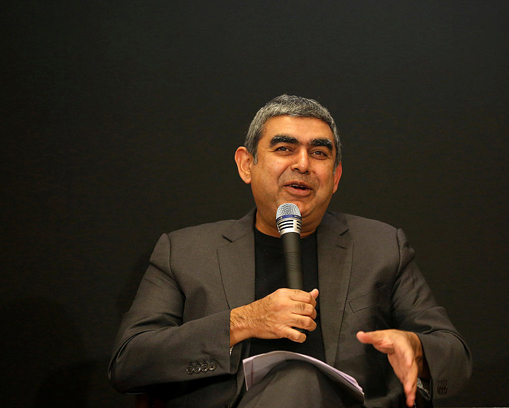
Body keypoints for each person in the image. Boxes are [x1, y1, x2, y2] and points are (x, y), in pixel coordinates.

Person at [109, 95, 472, 408]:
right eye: (284, 148)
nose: (302, 164)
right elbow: (128, 362)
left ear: (336, 177)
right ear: (246, 164)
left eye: (319, 153)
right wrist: (243, 321)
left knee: (300, 378)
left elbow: (454, 355)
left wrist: (417, 348)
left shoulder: (380, 247)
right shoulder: (184, 252)